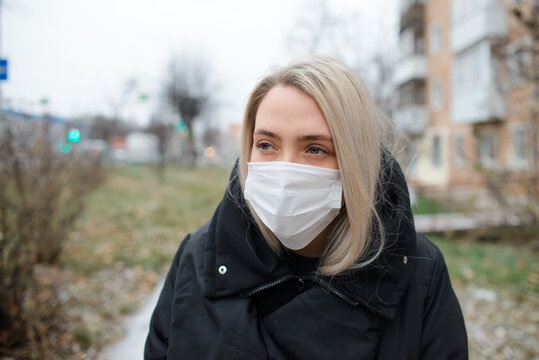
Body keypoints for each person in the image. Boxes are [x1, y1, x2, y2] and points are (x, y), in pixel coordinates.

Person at [144, 57, 468, 359]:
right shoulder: (198, 259)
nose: (285, 172)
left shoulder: (420, 275)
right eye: (266, 145)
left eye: (315, 149)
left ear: (356, 163)